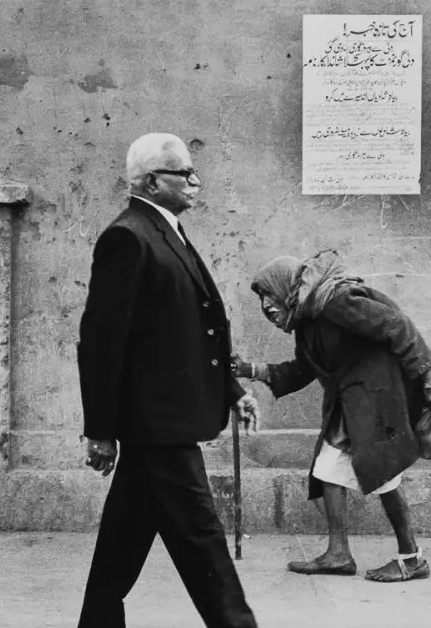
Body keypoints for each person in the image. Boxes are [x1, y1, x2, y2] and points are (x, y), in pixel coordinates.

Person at [76, 133, 261, 628]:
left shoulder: (165, 231)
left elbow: (190, 333)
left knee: (123, 541)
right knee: (203, 542)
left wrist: (232, 390)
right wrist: (100, 430)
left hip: (164, 421)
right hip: (159, 426)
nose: (196, 181)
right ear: (153, 182)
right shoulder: (128, 237)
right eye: (185, 173)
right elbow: (101, 342)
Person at [232, 250, 431, 583]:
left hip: (376, 398)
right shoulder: (307, 321)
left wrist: (430, 377)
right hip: (352, 402)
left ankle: (412, 557)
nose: (266, 306)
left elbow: (397, 324)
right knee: (329, 468)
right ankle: (338, 553)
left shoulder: (336, 301)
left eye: (269, 295)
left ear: (286, 288)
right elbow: (303, 369)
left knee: (384, 475)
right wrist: (251, 370)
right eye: (262, 300)